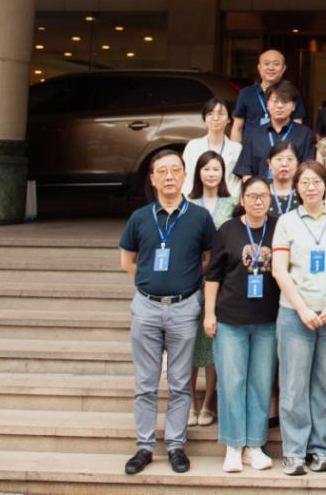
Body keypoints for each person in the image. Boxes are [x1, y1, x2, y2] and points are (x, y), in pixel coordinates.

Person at [119, 149, 215, 475]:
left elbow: (207, 259)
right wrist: (150, 281)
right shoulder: (140, 217)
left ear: (185, 175)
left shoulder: (200, 217)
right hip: (146, 307)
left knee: (180, 382)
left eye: (175, 170)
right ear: (152, 178)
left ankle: (176, 445)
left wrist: (183, 281)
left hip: (184, 307)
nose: (169, 176)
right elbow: (127, 261)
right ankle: (144, 446)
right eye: (162, 171)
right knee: (145, 383)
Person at [271, 161, 326, 475]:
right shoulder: (286, 222)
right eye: (305, 182)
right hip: (294, 315)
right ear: (297, 188)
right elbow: (279, 270)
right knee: (293, 385)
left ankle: (320, 449)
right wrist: (302, 308)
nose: (311, 187)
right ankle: (294, 451)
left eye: (316, 181)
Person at [203, 177, 280, 473]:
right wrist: (209, 314)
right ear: (242, 199)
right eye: (252, 196)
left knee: (260, 383)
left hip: (267, 319)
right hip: (230, 318)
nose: (258, 201)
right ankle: (233, 446)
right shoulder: (228, 230)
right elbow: (213, 276)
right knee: (232, 382)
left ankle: (254, 446)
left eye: (263, 196)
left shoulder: (279, 228)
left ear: (270, 199)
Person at [186, 152, 237, 429]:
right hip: (191, 278)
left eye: (216, 169)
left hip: (222, 280)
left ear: (223, 172)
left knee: (212, 342)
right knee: (189, 344)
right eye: (206, 169)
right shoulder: (188, 203)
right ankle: (189, 403)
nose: (211, 174)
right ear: (198, 172)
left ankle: (208, 402)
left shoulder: (232, 203)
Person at [234, 81, 316, 181]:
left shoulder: (305, 134)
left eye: (285, 102)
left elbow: (308, 171)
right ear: (267, 104)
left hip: (293, 189)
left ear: (294, 106)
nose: (279, 106)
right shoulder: (254, 134)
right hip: (260, 189)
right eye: (275, 101)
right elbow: (246, 172)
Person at [231, 49, 305, 142]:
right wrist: (236, 150)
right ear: (259, 67)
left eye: (276, 64)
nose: (271, 68)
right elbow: (237, 128)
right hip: (252, 148)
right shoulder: (246, 93)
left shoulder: (292, 93)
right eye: (266, 64)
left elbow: (297, 125)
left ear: (284, 68)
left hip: (283, 148)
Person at [183, 97, 242, 195]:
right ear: (204, 118)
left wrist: (231, 200)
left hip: (228, 200)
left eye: (221, 114)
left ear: (229, 119)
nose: (215, 118)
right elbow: (186, 179)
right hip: (197, 199)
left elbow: (237, 183)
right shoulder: (193, 146)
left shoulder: (237, 148)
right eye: (210, 114)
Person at [265, 142, 300, 219]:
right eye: (279, 159)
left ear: (297, 163)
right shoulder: (261, 191)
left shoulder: (303, 191)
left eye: (290, 159)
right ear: (269, 164)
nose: (284, 164)